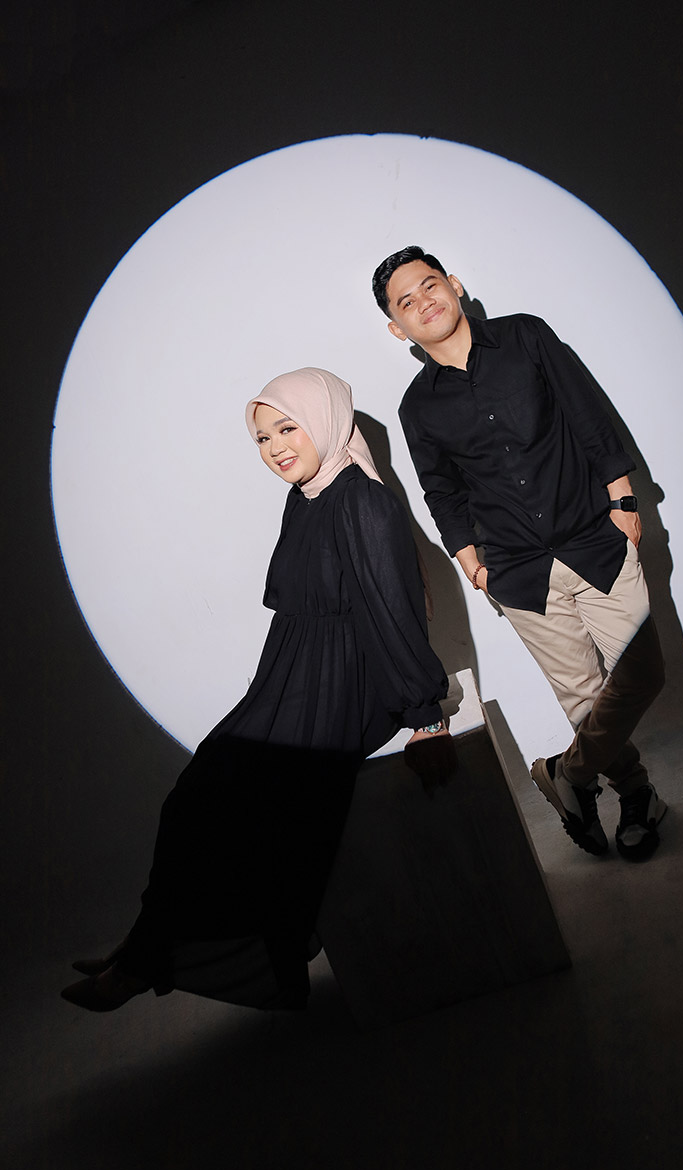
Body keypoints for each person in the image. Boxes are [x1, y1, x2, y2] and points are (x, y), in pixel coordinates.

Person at [62, 367, 452, 1013]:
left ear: (324, 419)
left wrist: (426, 716)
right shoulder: (307, 496)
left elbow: (392, 612)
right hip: (295, 674)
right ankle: (146, 945)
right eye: (263, 438)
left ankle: (141, 963)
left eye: (287, 428)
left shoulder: (361, 501)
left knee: (210, 805)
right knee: (195, 798)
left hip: (345, 686)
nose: (275, 448)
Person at [371, 246, 666, 861]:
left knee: (642, 673)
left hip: (595, 537)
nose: (425, 301)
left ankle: (568, 774)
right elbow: (441, 489)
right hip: (516, 568)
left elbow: (587, 413)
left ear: (454, 284)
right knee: (583, 697)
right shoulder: (417, 406)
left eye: (430, 284)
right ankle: (636, 795)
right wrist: (468, 559)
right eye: (406, 301)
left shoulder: (526, 337)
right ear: (397, 328)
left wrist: (623, 500)